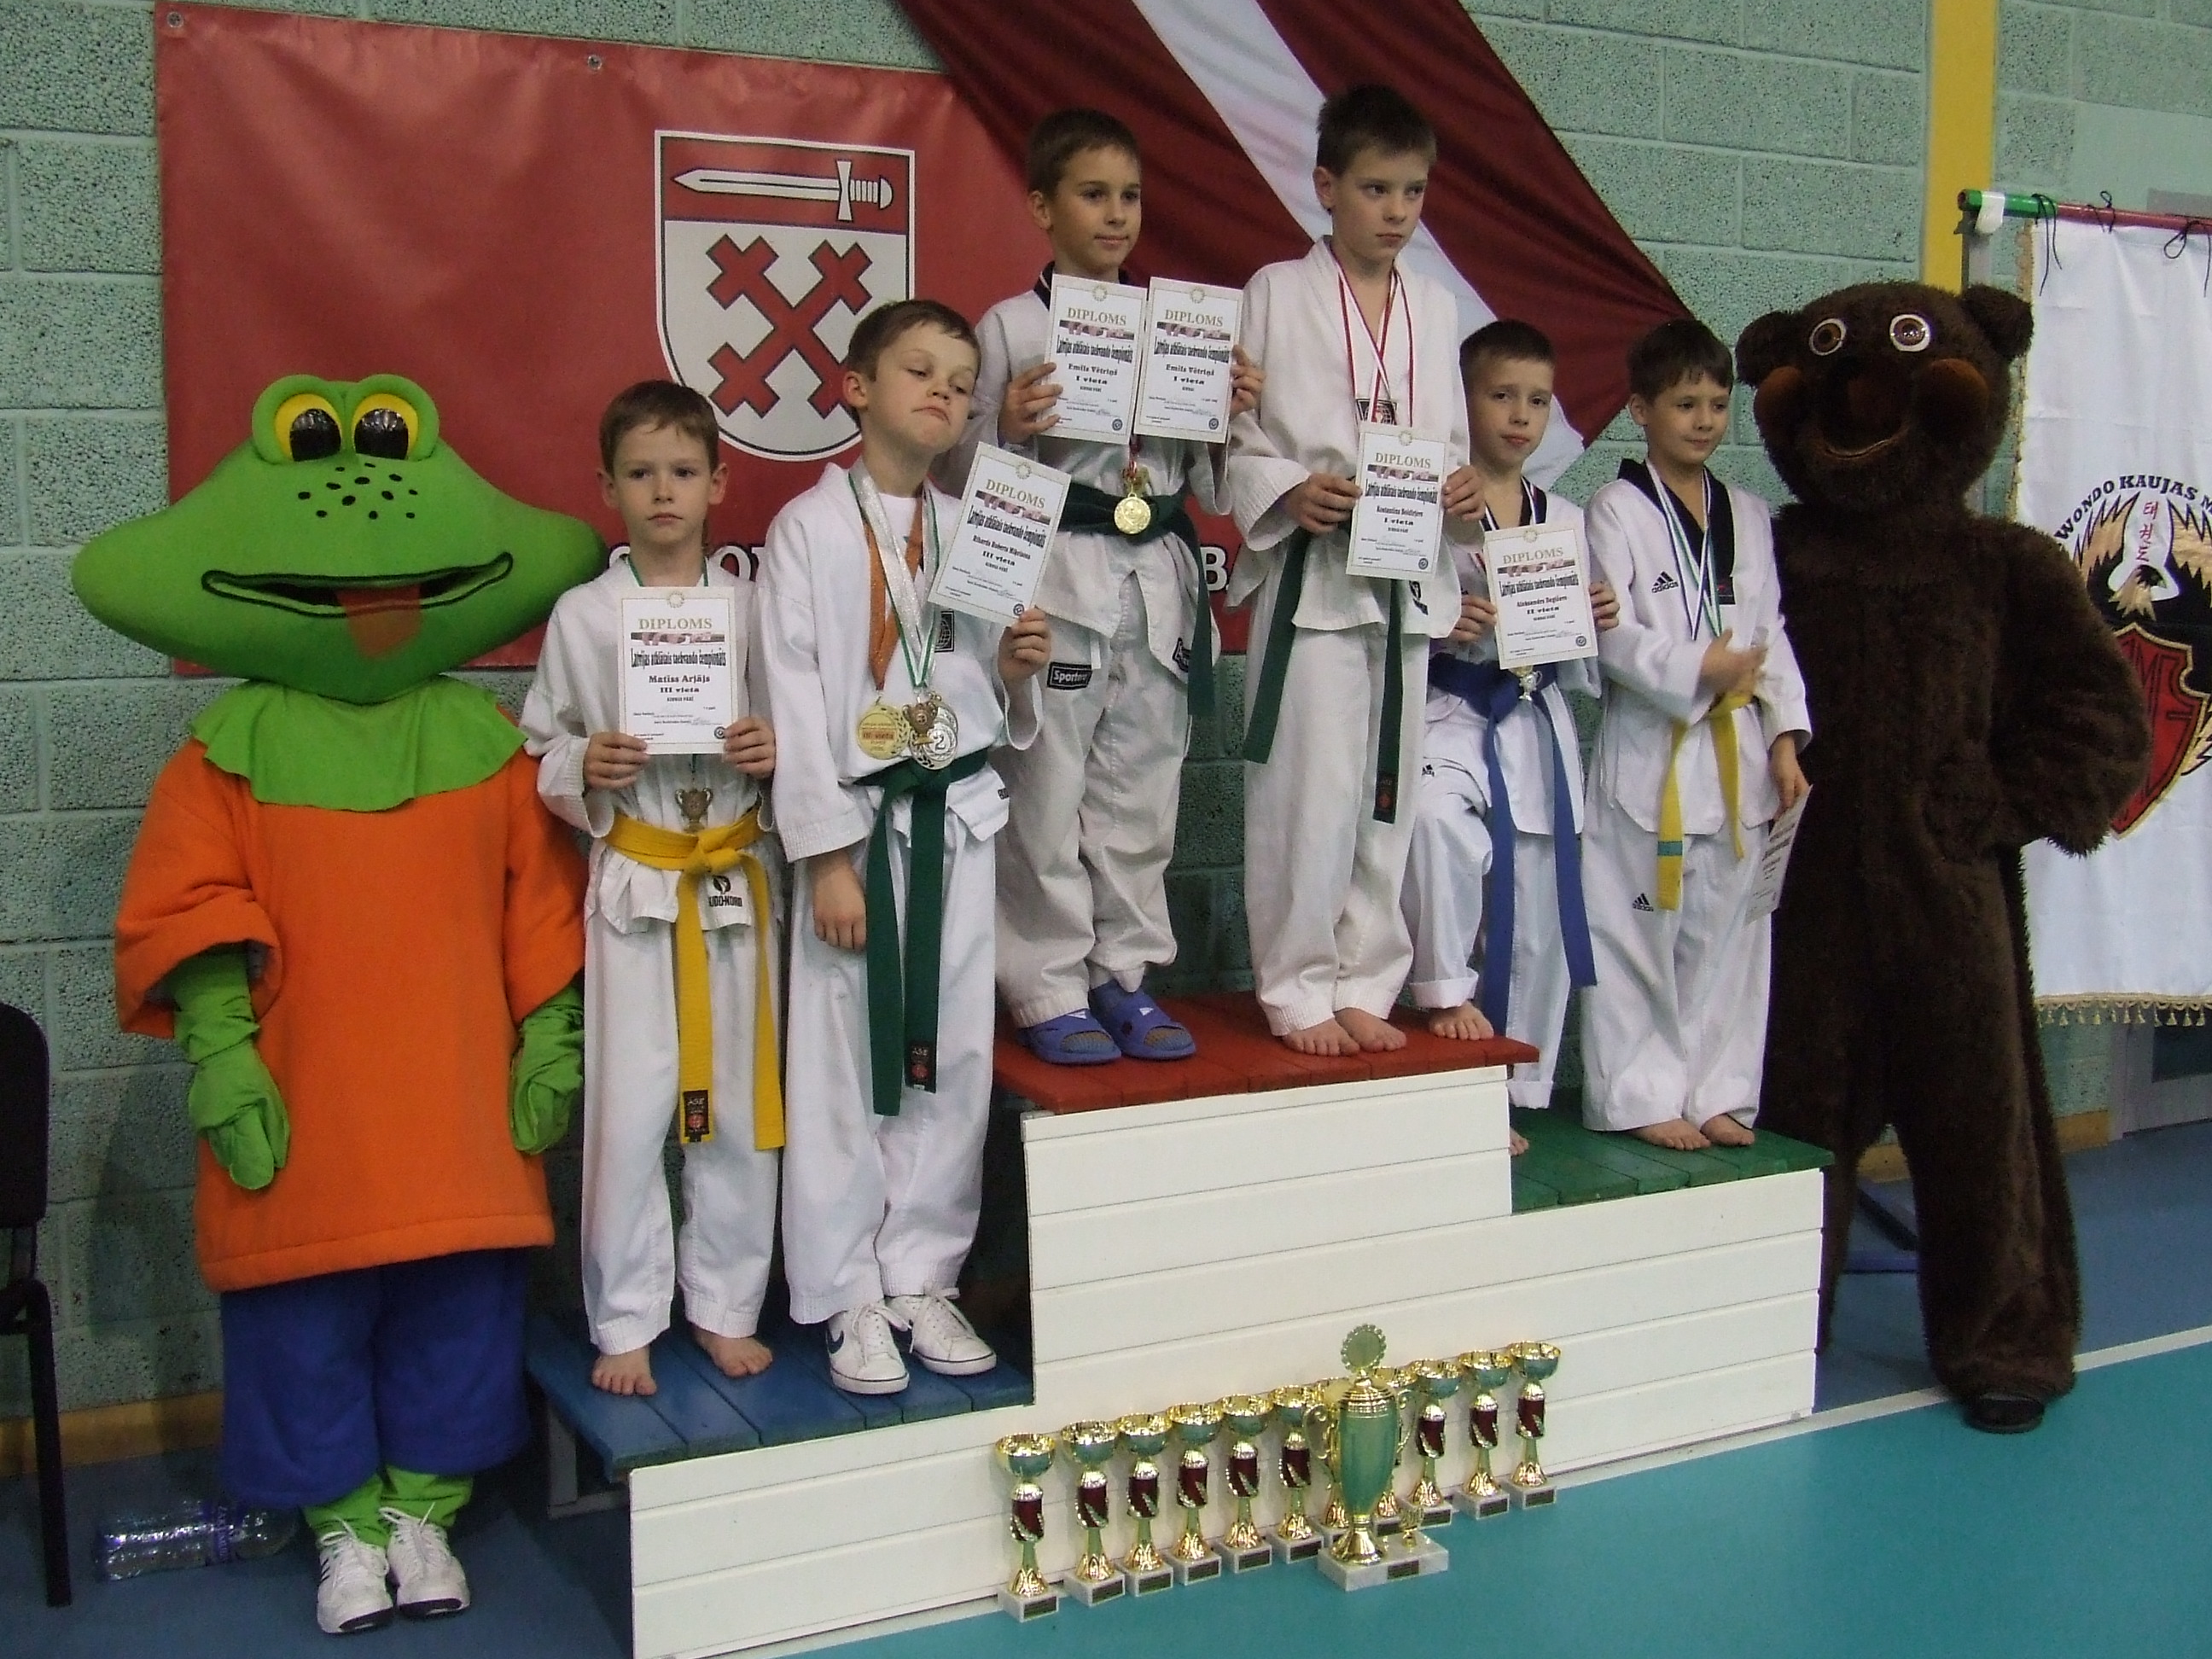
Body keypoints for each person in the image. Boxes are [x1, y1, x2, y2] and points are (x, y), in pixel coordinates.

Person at [760, 299, 1051, 1394]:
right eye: (918, 370)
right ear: (856, 387)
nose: (942, 392)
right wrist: (826, 857)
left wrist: (1012, 670)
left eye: (961, 383)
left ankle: (924, 1275)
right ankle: (847, 1293)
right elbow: (795, 700)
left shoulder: (979, 529)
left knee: (954, 1057)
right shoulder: (807, 529)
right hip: (860, 826)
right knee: (843, 1062)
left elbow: (975, 691)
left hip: (958, 819)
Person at [948, 108, 1260, 1066]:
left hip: (1157, 578)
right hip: (1057, 572)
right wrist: (1005, 425)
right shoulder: (1012, 326)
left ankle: (1124, 974)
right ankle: (1045, 981)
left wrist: (1223, 417)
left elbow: (1207, 484)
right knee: (1047, 792)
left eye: (1129, 196)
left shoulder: (1182, 328)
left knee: (1142, 794)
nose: (1117, 214)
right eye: (1093, 194)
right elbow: (957, 476)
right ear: (1043, 207)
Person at [522, 380, 783, 1398]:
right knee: (632, 1107)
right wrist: (583, 763)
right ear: (607, 489)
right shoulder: (584, 616)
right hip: (636, 879)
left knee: (738, 1102)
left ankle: (726, 1305)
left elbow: (805, 729)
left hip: (736, 876)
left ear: (718, 482)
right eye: (640, 474)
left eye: (681, 471)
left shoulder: (753, 608)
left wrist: (775, 751)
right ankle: (627, 1315)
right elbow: (541, 744)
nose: (663, 492)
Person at [1226, 83, 1479, 1057]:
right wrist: (1289, 489)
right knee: (1310, 792)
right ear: (1327, 187)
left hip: (1404, 575)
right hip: (1314, 581)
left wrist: (1460, 492)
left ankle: (1367, 975)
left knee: (1387, 791)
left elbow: (1449, 444)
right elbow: (1233, 432)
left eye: (1414, 192)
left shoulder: (1437, 307)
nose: (1397, 212)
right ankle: (1297, 985)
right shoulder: (1274, 292)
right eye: (1376, 190)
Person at [1580, 319, 1810, 1150]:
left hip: (1738, 754)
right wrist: (1696, 664)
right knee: (1637, 931)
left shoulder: (1748, 513)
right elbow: (1606, 634)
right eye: (1685, 404)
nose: (1705, 420)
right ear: (1640, 410)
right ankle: (1640, 1094)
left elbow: (1771, 633)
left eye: (1717, 403)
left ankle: (1719, 1091)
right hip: (1655, 750)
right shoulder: (1613, 511)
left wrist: (1785, 738)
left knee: (1731, 936)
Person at [1401, 321, 1617, 1149]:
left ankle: (1513, 1090)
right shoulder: (1435, 505)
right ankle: (1445, 995)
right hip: (1453, 709)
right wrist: (1444, 622)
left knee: (1536, 903)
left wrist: (1596, 615)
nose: (1521, 415)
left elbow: (1581, 647)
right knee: (1434, 826)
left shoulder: (1565, 516)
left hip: (1535, 719)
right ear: (1464, 401)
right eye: (1501, 396)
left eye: (1537, 400)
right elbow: (1391, 608)